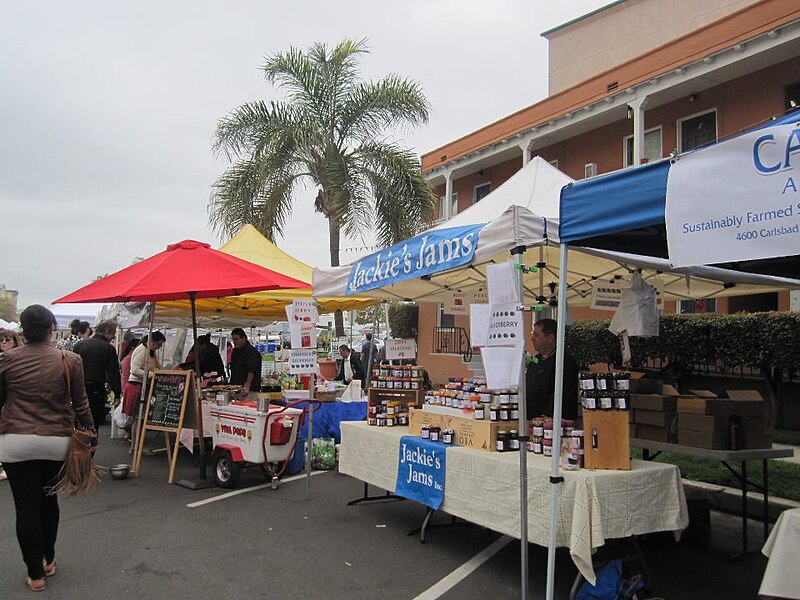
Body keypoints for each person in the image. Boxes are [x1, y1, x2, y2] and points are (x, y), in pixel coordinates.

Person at [0, 305, 95, 591]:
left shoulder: (7, 360)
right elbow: (81, 404)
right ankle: (48, 559)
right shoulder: (70, 359)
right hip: (56, 440)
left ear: (22, 330)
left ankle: (35, 575)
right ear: (51, 328)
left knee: (25, 507)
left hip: (15, 440)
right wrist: (91, 433)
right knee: (48, 502)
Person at [525, 318, 579, 421]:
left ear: (550, 337)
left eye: (536, 335)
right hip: (531, 421)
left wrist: (547, 416)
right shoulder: (536, 360)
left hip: (552, 423)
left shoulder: (564, 361)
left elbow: (565, 394)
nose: (532, 339)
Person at [73, 320, 121, 430]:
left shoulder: (79, 345)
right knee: (94, 423)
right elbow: (113, 374)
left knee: (78, 422)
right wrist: (117, 394)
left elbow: (73, 368)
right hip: (96, 390)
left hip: (78, 388)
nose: (113, 337)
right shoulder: (108, 348)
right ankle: (91, 444)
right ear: (107, 331)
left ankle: (79, 444)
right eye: (113, 334)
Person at [123, 332, 165, 418]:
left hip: (144, 385)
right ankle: (136, 431)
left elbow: (157, 366)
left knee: (141, 415)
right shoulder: (142, 350)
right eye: (158, 344)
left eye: (161, 345)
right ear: (152, 341)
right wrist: (151, 374)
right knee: (139, 416)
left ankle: (137, 431)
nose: (159, 347)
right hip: (137, 386)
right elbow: (134, 370)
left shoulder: (151, 351)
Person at [0, 328, 24, 481]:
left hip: (13, 402)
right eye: (1, 340)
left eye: (7, 340)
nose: (3, 343)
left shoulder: (19, 359)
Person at [229, 328, 262, 394]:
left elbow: (252, 370)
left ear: (243, 338)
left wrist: (247, 385)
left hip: (250, 389)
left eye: (236, 339)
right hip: (236, 388)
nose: (234, 342)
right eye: (233, 340)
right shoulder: (235, 352)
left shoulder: (251, 352)